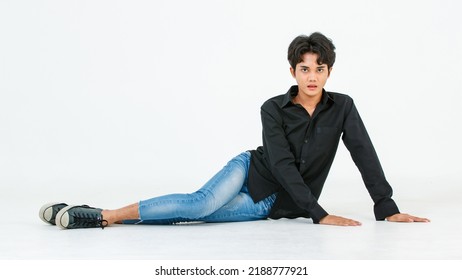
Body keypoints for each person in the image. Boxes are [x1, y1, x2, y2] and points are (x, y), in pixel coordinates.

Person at [39, 32, 429, 230]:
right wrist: (319, 213)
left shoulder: (342, 106)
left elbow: (364, 152)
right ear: (292, 71)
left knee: (198, 219)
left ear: (329, 71)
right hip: (251, 169)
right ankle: (103, 215)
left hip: (273, 203)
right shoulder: (273, 108)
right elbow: (278, 160)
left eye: (319, 68)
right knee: (200, 204)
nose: (312, 76)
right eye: (304, 68)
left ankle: (93, 214)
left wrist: (386, 207)